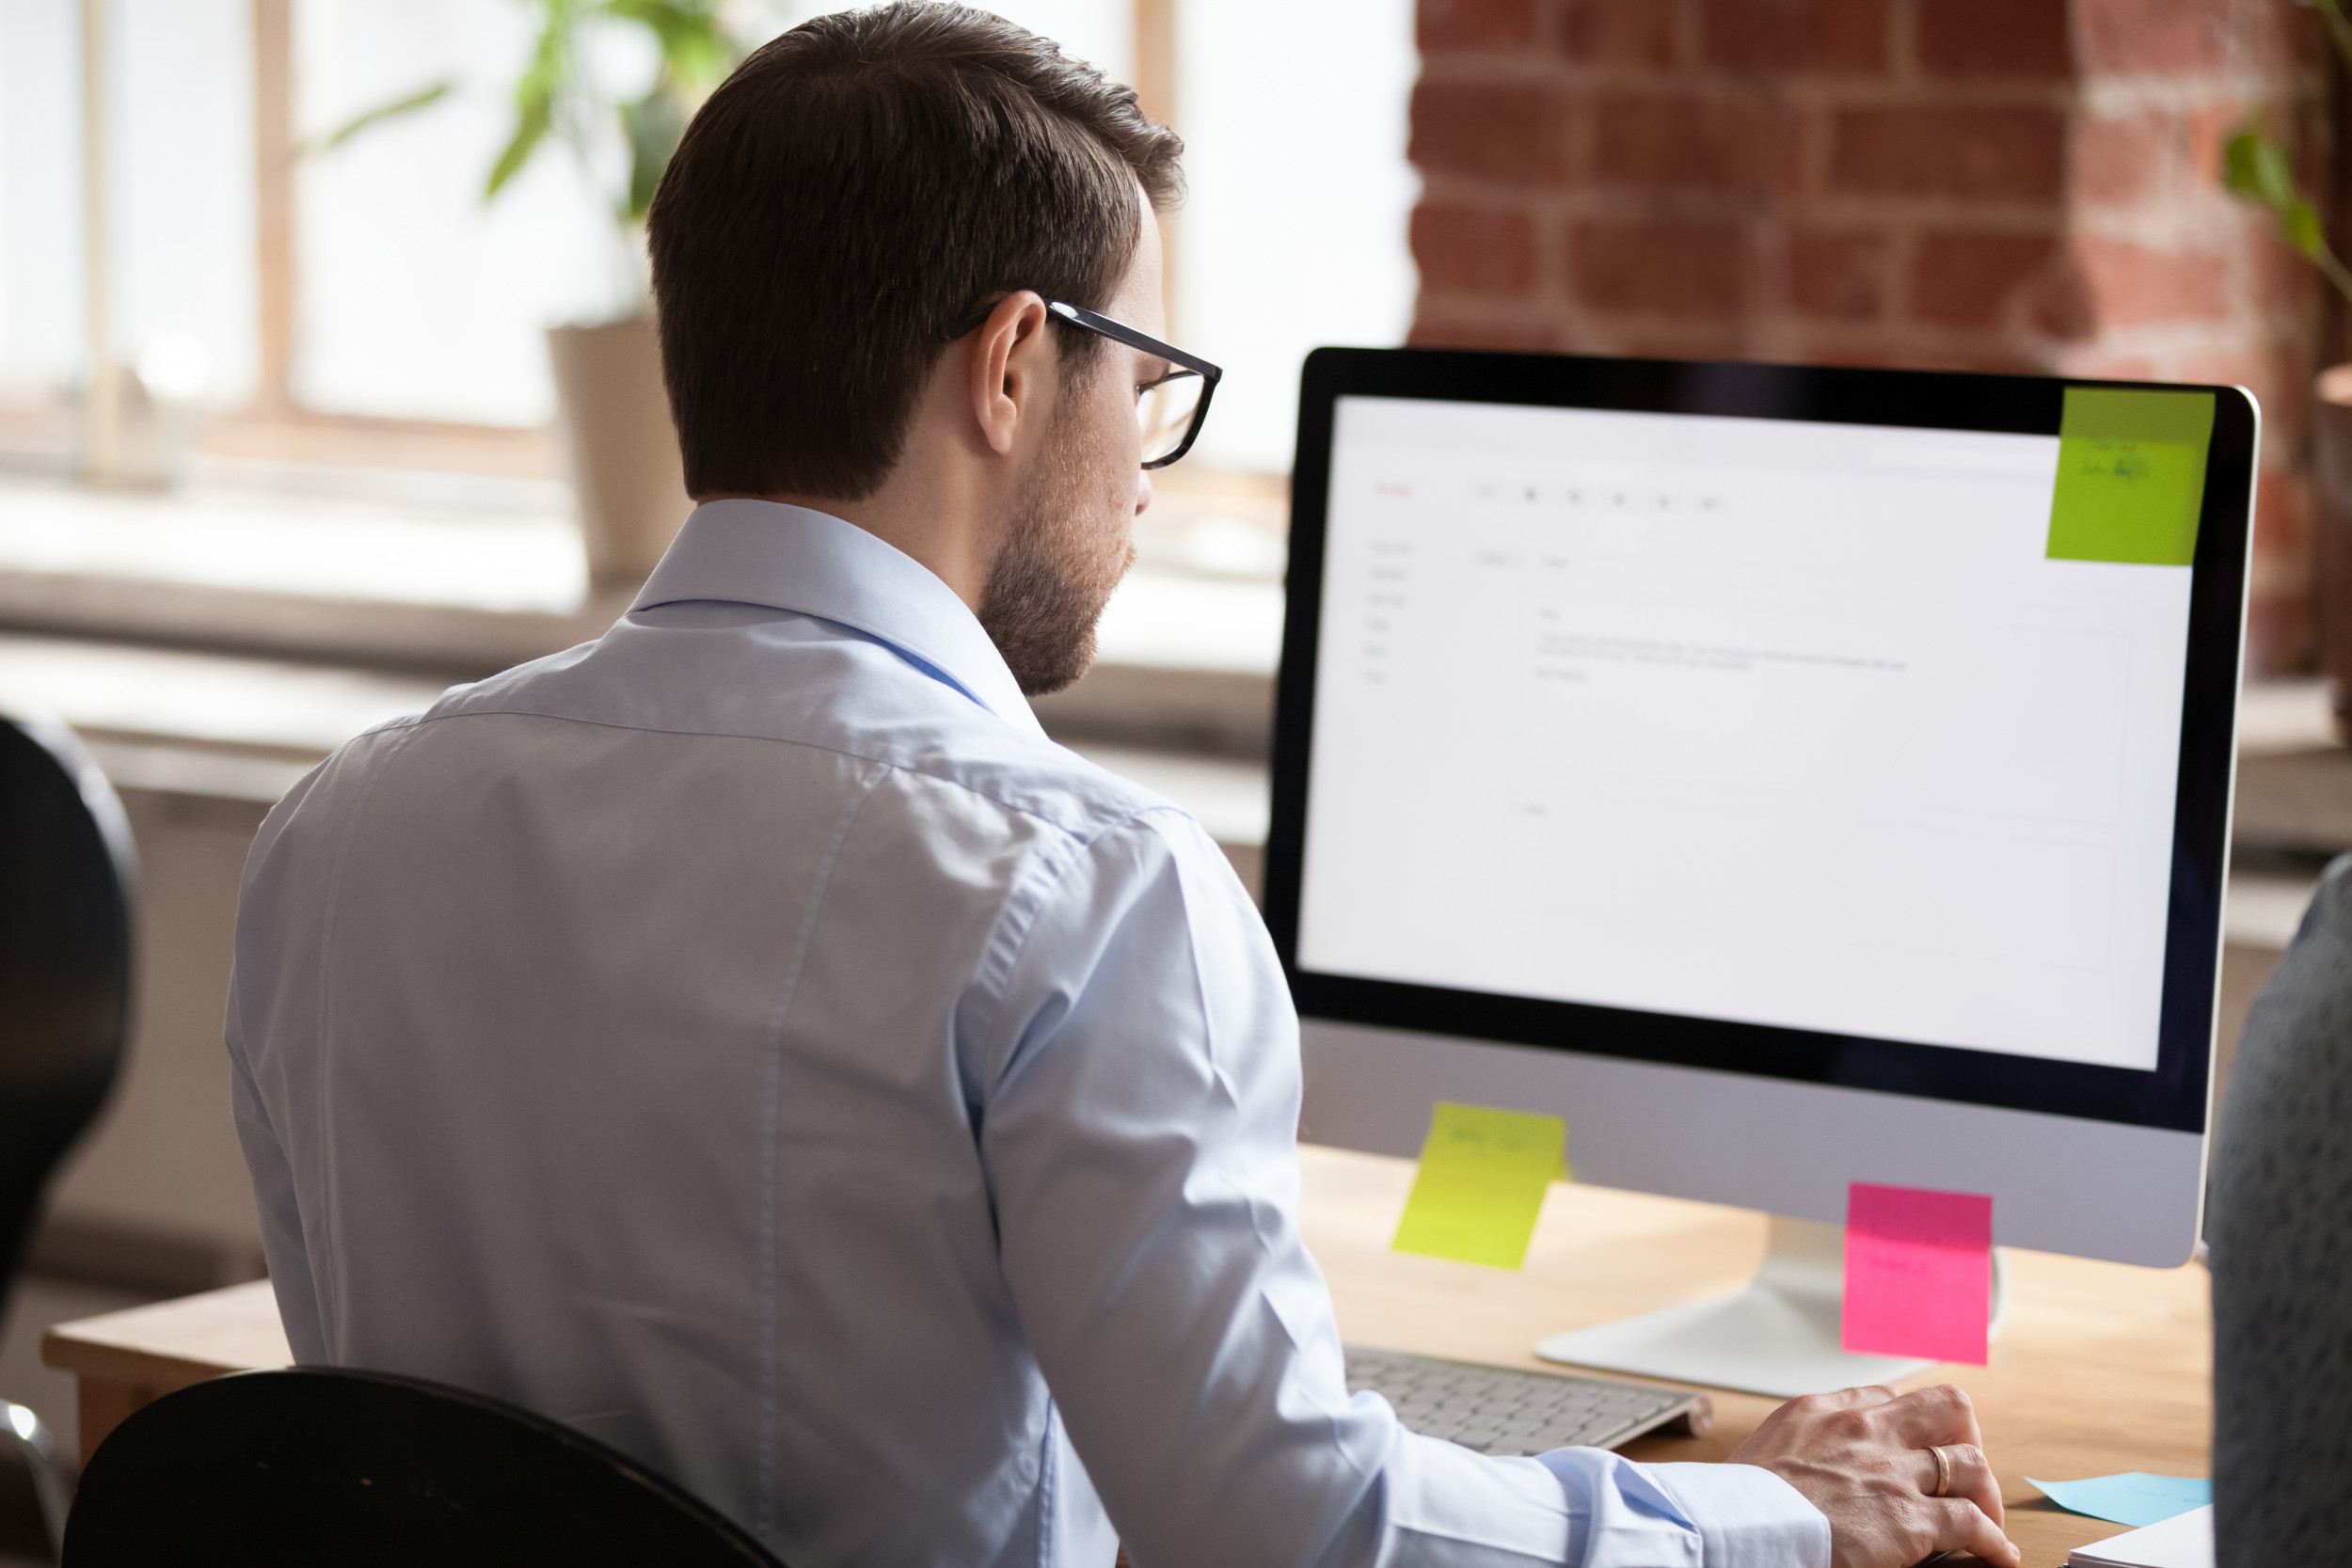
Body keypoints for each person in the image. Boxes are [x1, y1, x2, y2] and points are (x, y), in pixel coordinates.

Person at [226, 8, 2020, 1567]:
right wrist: (1776, 1515)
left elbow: (396, 1468)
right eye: (1143, 376)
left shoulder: (344, 827)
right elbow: (1300, 1535)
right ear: (1014, 365)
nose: (1149, 471)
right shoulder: (1081, 893)